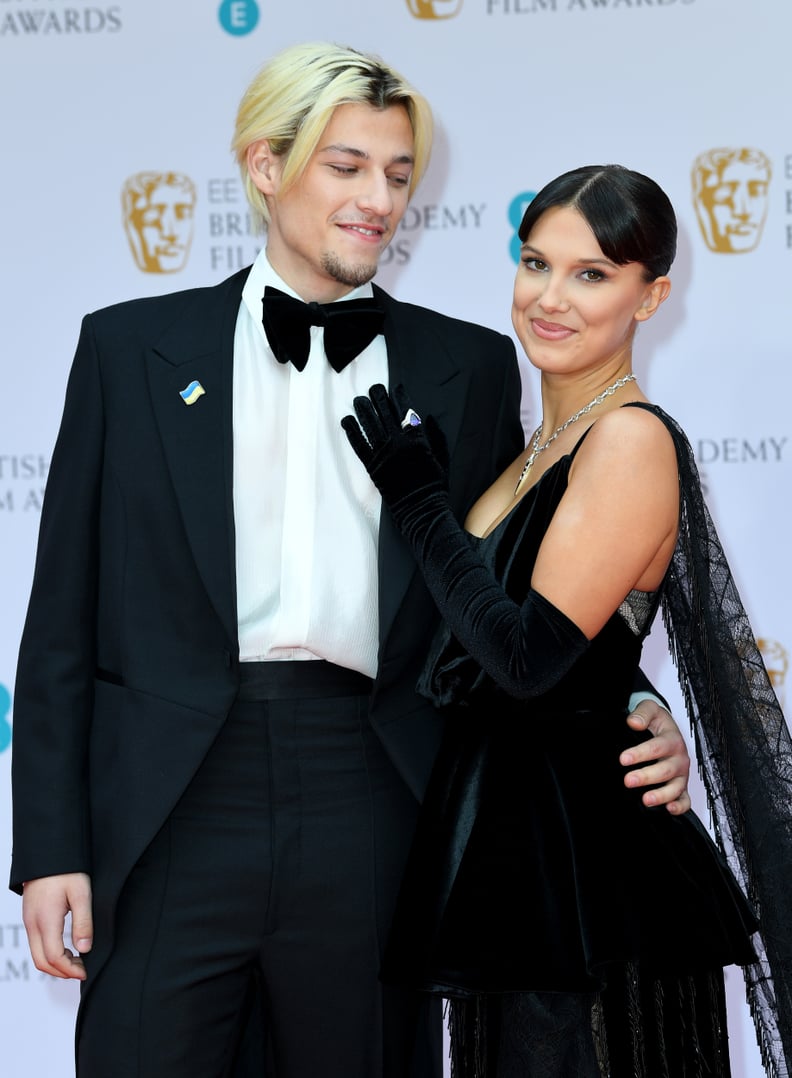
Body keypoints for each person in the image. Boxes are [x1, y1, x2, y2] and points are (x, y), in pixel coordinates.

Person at [10, 45, 691, 1078]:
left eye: (399, 172)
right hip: (169, 801)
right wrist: (48, 847)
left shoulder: (466, 366)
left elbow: (517, 588)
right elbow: (60, 619)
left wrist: (633, 705)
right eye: (346, 166)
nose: (379, 199)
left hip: (378, 795)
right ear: (266, 165)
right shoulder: (127, 350)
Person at [343, 165, 792, 1076]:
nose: (551, 298)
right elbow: (550, 651)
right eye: (536, 262)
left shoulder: (629, 439)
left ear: (651, 295)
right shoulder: (527, 452)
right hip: (514, 866)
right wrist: (638, 695)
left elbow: (524, 658)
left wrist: (421, 504)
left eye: (592, 274)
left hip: (588, 890)